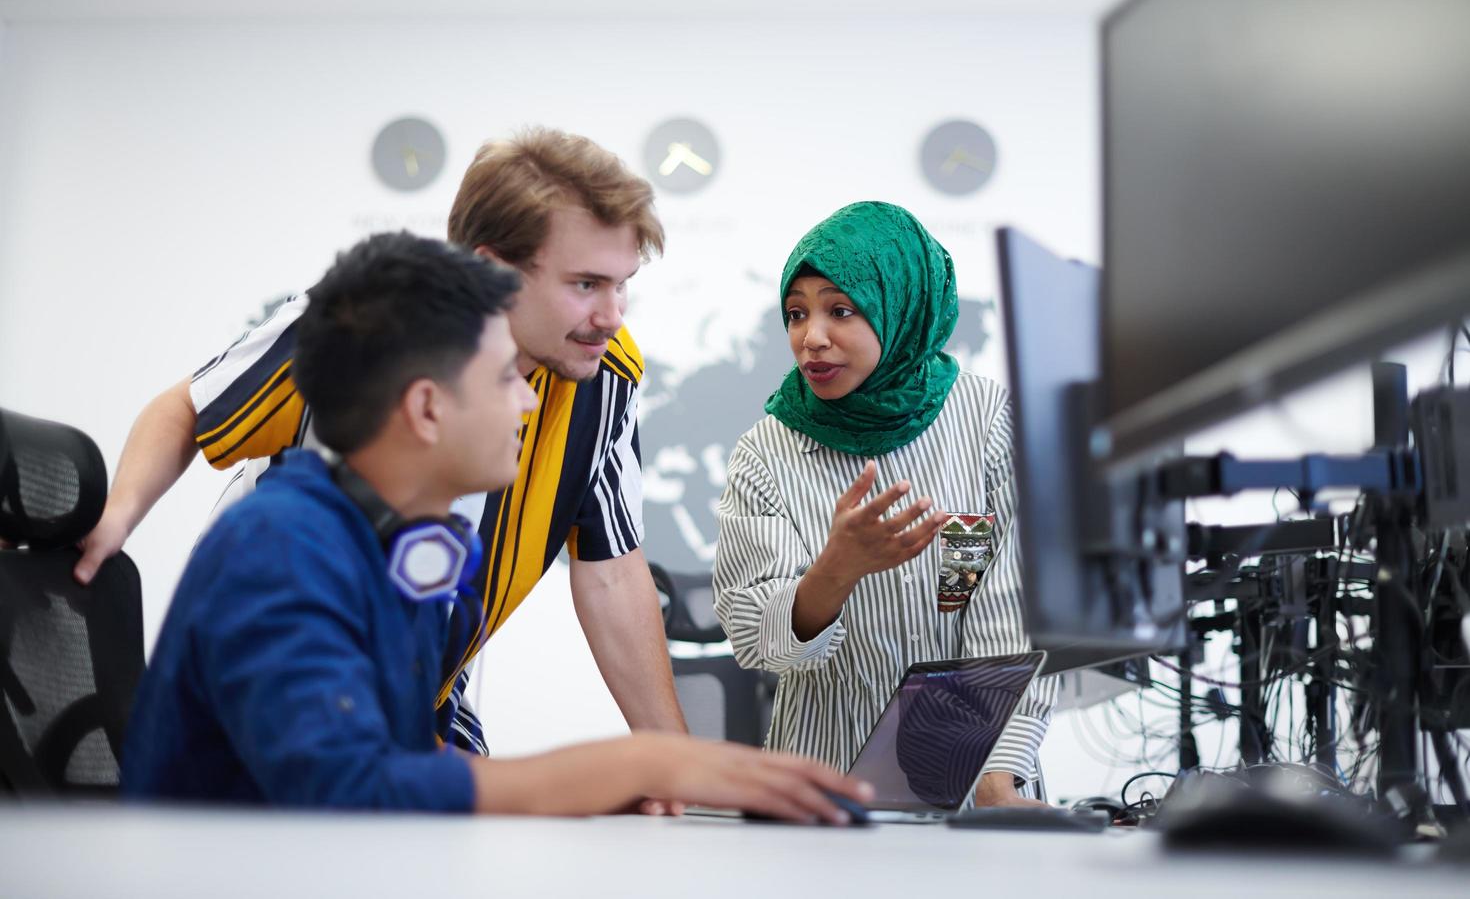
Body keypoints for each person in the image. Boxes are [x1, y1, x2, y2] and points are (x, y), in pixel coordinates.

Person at [121, 232, 869, 822]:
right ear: (425, 408)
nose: (529, 402)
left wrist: (618, 779)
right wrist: (640, 765)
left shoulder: (408, 556)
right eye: (505, 378)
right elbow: (351, 791)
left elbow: (415, 753)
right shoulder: (279, 548)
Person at [71, 128, 684, 756]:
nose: (614, 316)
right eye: (586, 284)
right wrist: (115, 518)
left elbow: (612, 571)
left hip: (414, 691)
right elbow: (190, 407)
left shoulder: (604, 369)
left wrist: (673, 766)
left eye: (622, 283)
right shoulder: (357, 329)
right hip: (282, 698)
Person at [711, 201, 1058, 807]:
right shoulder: (766, 452)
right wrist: (834, 571)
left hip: (982, 782)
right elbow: (754, 637)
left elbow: (1006, 608)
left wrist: (996, 777)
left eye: (840, 310)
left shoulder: (985, 422)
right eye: (796, 314)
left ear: (902, 306)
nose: (811, 337)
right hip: (825, 789)